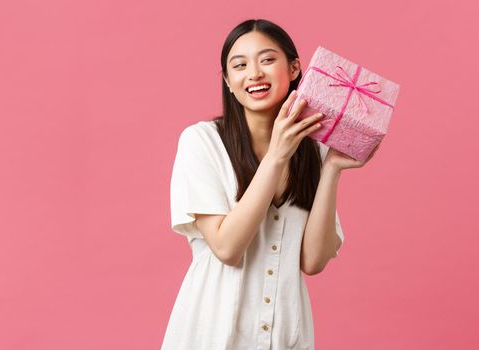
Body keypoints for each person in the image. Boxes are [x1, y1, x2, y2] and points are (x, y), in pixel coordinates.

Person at [161, 18, 379, 350]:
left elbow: (313, 261)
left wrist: (333, 167)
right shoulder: (201, 142)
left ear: (294, 69)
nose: (254, 73)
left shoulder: (315, 152)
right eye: (240, 65)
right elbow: (227, 248)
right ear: (228, 81)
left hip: (284, 335)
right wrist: (277, 156)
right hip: (212, 333)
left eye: (267, 60)